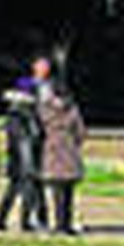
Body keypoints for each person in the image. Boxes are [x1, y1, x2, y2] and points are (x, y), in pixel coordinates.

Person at [0, 79, 45, 232]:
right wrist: (30, 165)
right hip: (24, 161)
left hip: (16, 159)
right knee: (25, 191)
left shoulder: (14, 115)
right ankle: (23, 222)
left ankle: (1, 220)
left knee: (12, 191)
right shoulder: (23, 116)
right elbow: (26, 140)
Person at [38, 76, 85, 236]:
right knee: (68, 193)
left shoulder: (46, 110)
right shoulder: (72, 110)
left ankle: (58, 224)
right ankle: (66, 223)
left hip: (52, 151)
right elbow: (80, 132)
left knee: (56, 192)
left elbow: (39, 129)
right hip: (69, 151)